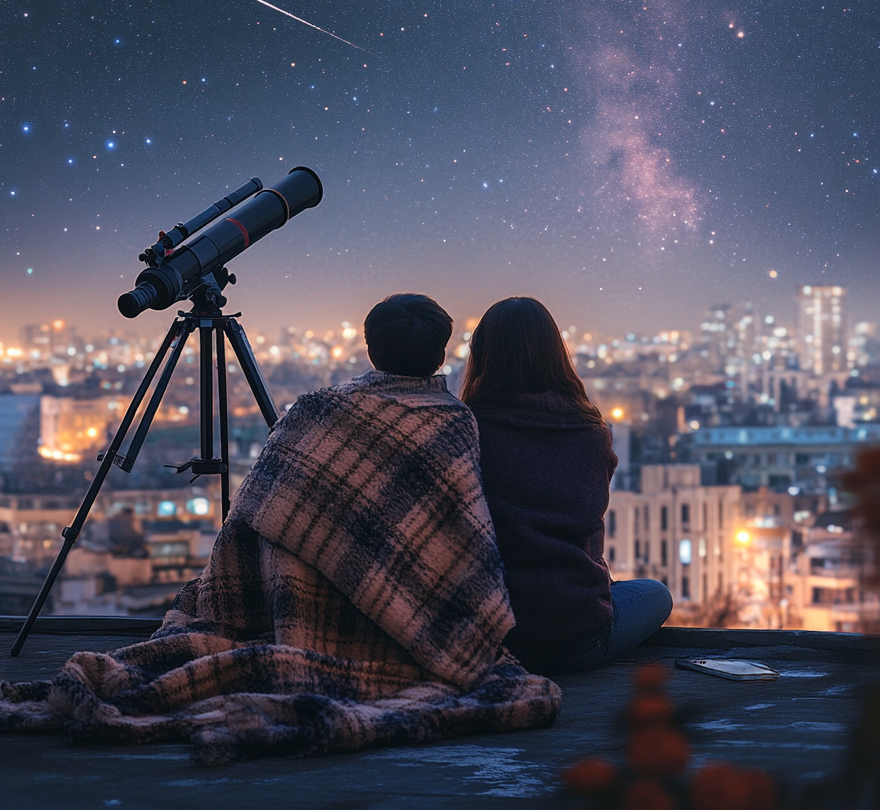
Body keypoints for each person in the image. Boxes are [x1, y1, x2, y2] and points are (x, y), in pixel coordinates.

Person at [0, 293, 560, 762]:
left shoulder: (315, 411)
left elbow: (252, 514)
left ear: (369, 347)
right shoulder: (453, 422)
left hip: (290, 614)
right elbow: (464, 541)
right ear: (442, 353)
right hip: (406, 632)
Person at [462, 296, 672, 673]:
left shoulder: (467, 429)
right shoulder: (590, 432)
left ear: (482, 355)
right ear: (556, 353)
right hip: (575, 638)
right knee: (655, 594)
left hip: (490, 637)